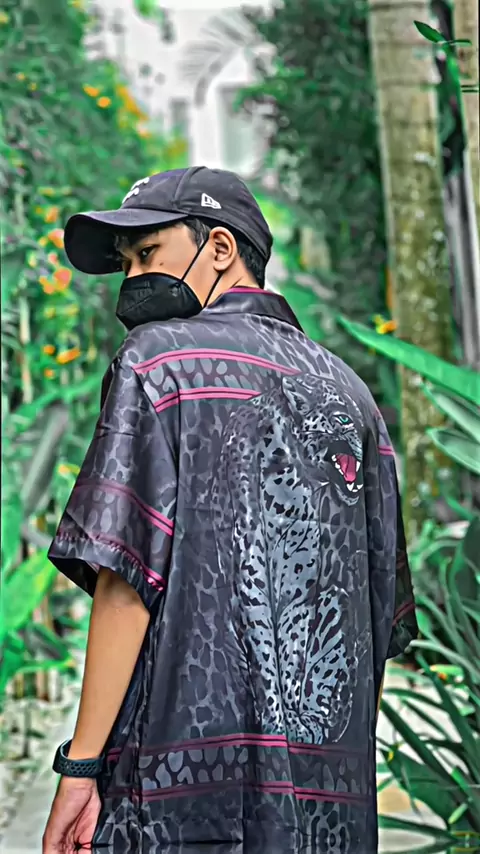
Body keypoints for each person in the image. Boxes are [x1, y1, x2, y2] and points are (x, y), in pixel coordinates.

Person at [43, 166, 418, 854]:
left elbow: (126, 581)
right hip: (327, 809)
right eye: (126, 264)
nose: (133, 279)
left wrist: (81, 769)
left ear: (219, 248)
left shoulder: (157, 364)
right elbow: (377, 612)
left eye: (147, 253)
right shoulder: (352, 394)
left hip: (178, 794)